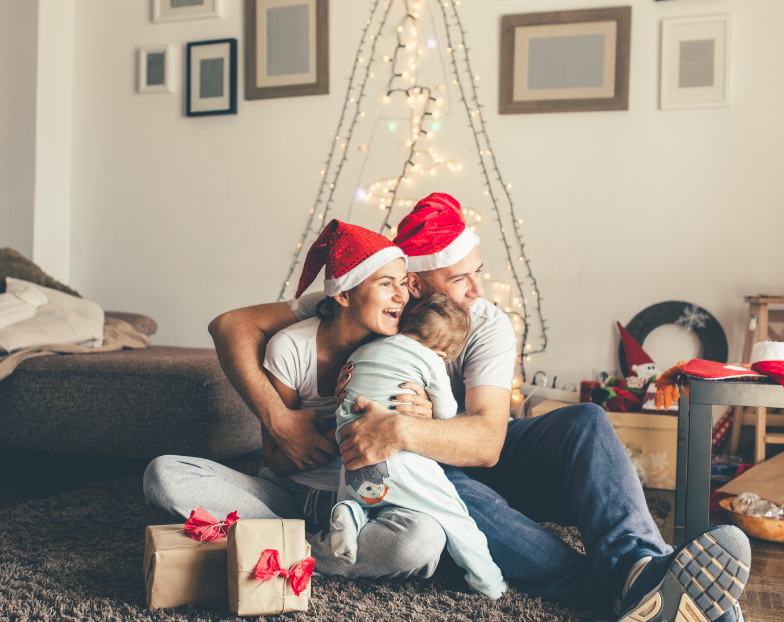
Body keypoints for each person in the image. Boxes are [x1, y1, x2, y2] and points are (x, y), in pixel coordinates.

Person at [204, 192, 750, 622]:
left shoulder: (483, 321)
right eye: (458, 276)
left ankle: (640, 570)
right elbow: (231, 325)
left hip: (468, 450)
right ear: (411, 284)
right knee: (446, 489)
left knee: (586, 419)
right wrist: (279, 420)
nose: (475, 289)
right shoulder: (370, 296)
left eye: (477, 270)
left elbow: (488, 442)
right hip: (424, 477)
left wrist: (405, 428)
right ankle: (623, 595)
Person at [143, 220, 448, 580]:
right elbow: (276, 458)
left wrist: (417, 418)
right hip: (287, 495)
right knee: (163, 476)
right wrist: (338, 428)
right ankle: (319, 552)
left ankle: (286, 550)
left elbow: (418, 448)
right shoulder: (291, 347)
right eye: (385, 284)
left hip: (367, 500)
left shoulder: (402, 351)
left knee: (423, 541)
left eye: (402, 283)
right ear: (343, 295)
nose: (402, 296)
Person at [331, 293, 506, 600]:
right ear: (444, 353)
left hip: (351, 457)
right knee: (455, 515)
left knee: (369, 504)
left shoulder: (362, 351)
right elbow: (448, 414)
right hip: (397, 459)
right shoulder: (429, 360)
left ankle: (349, 511)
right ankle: (490, 583)